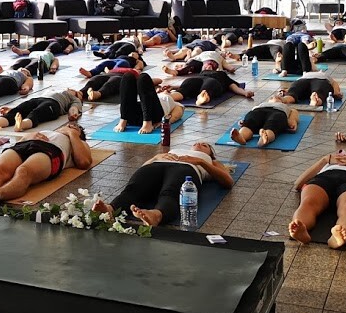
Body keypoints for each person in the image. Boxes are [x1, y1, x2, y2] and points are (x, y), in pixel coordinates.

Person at [91, 142, 233, 228]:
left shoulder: (209, 160)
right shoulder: (176, 151)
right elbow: (142, 168)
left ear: (210, 154)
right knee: (134, 189)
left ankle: (156, 215)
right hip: (157, 165)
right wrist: (155, 157)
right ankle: (109, 209)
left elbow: (228, 181)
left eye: (205, 145)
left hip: (185, 169)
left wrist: (201, 162)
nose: (199, 144)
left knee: (171, 192)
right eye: (197, 143)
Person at [0, 123, 92, 201]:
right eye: (69, 125)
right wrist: (30, 136)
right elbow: (19, 142)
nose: (70, 126)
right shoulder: (49, 131)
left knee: (23, 171)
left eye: (75, 127)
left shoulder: (78, 141)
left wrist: (73, 134)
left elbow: (84, 162)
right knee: (0, 169)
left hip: (51, 150)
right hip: (26, 144)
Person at [0, 88, 83, 132]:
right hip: (38, 99)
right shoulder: (54, 90)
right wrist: (11, 109)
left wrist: (73, 114)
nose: (73, 90)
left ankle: (22, 124)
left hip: (54, 104)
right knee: (20, 109)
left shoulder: (74, 98)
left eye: (76, 92)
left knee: (36, 113)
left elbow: (74, 108)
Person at [117, 71, 184, 134]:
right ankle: (123, 119)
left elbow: (180, 110)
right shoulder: (153, 94)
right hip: (133, 116)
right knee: (128, 76)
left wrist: (166, 122)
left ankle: (147, 122)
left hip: (153, 117)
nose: (165, 90)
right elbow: (157, 83)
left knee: (143, 77)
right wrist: (156, 91)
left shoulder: (168, 98)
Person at [162, 63, 254, 107]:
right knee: (185, 89)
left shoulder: (221, 74)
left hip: (213, 81)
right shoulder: (201, 73)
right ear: (202, 68)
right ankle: (165, 98)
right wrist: (173, 87)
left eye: (212, 65)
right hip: (197, 79)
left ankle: (200, 99)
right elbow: (185, 85)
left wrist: (245, 93)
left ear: (217, 68)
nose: (208, 65)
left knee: (206, 90)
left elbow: (234, 87)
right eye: (206, 65)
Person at [230, 101, 298, 147]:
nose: (276, 97)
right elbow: (251, 113)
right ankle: (241, 137)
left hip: (278, 112)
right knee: (250, 122)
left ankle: (265, 138)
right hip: (259, 110)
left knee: (273, 123)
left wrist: (293, 121)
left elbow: (294, 113)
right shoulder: (261, 104)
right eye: (273, 97)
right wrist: (244, 121)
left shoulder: (287, 107)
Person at [271, 72, 342, 108]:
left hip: (317, 80)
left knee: (318, 90)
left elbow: (334, 83)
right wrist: (287, 90)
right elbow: (334, 83)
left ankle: (316, 100)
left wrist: (336, 92)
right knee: (295, 90)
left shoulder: (324, 74)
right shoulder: (323, 74)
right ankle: (285, 99)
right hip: (306, 80)